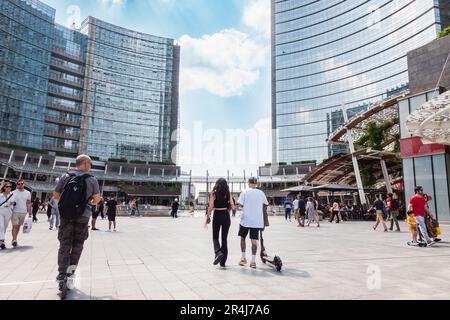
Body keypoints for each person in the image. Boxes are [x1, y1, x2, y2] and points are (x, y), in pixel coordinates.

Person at [54, 154, 102, 281]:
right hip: (83, 215)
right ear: (85, 163)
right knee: (78, 244)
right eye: (90, 163)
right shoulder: (92, 180)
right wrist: (89, 202)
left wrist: (67, 206)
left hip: (66, 215)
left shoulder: (66, 176)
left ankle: (62, 273)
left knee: (64, 243)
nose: (91, 166)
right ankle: (70, 273)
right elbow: (97, 199)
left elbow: (56, 195)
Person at [237, 177, 268, 269]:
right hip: (257, 221)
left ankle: (243, 258)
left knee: (243, 238)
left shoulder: (245, 192)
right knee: (254, 241)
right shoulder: (261, 193)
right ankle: (253, 261)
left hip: (245, 220)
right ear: (256, 184)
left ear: (248, 183)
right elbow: (266, 203)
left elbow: (240, 204)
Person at [206, 178, 235, 268]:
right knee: (224, 239)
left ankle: (218, 252)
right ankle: (223, 263)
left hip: (217, 215)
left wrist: (208, 216)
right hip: (226, 215)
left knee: (215, 237)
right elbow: (232, 205)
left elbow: (210, 206)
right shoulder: (228, 193)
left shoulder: (214, 193)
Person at [11, 179, 32, 248]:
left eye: (22, 183)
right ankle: (14, 240)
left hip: (23, 212)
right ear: (17, 185)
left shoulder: (28, 193)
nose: (20, 185)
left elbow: (28, 203)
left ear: (24, 184)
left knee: (18, 226)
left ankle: (15, 239)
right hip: (15, 211)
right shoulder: (13, 192)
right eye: (19, 184)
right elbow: (11, 202)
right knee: (15, 225)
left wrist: (30, 213)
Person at [0, 182, 15, 250]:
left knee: (5, 227)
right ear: (4, 187)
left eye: (10, 187)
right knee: (1, 226)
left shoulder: (13, 195)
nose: (9, 188)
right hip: (1, 211)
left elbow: (14, 203)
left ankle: (1, 240)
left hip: (8, 212)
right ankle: (2, 241)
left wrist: (13, 203)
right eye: (7, 187)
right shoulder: (0, 195)